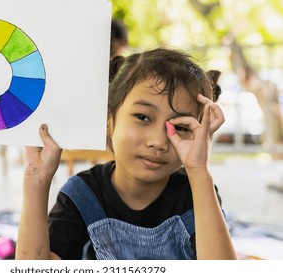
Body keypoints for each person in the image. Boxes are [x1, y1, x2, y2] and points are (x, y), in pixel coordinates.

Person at [16, 48, 237, 260]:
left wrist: (199, 171)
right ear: (109, 120)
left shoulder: (195, 193)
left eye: (180, 127)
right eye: (143, 117)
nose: (158, 142)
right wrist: (36, 181)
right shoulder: (83, 195)